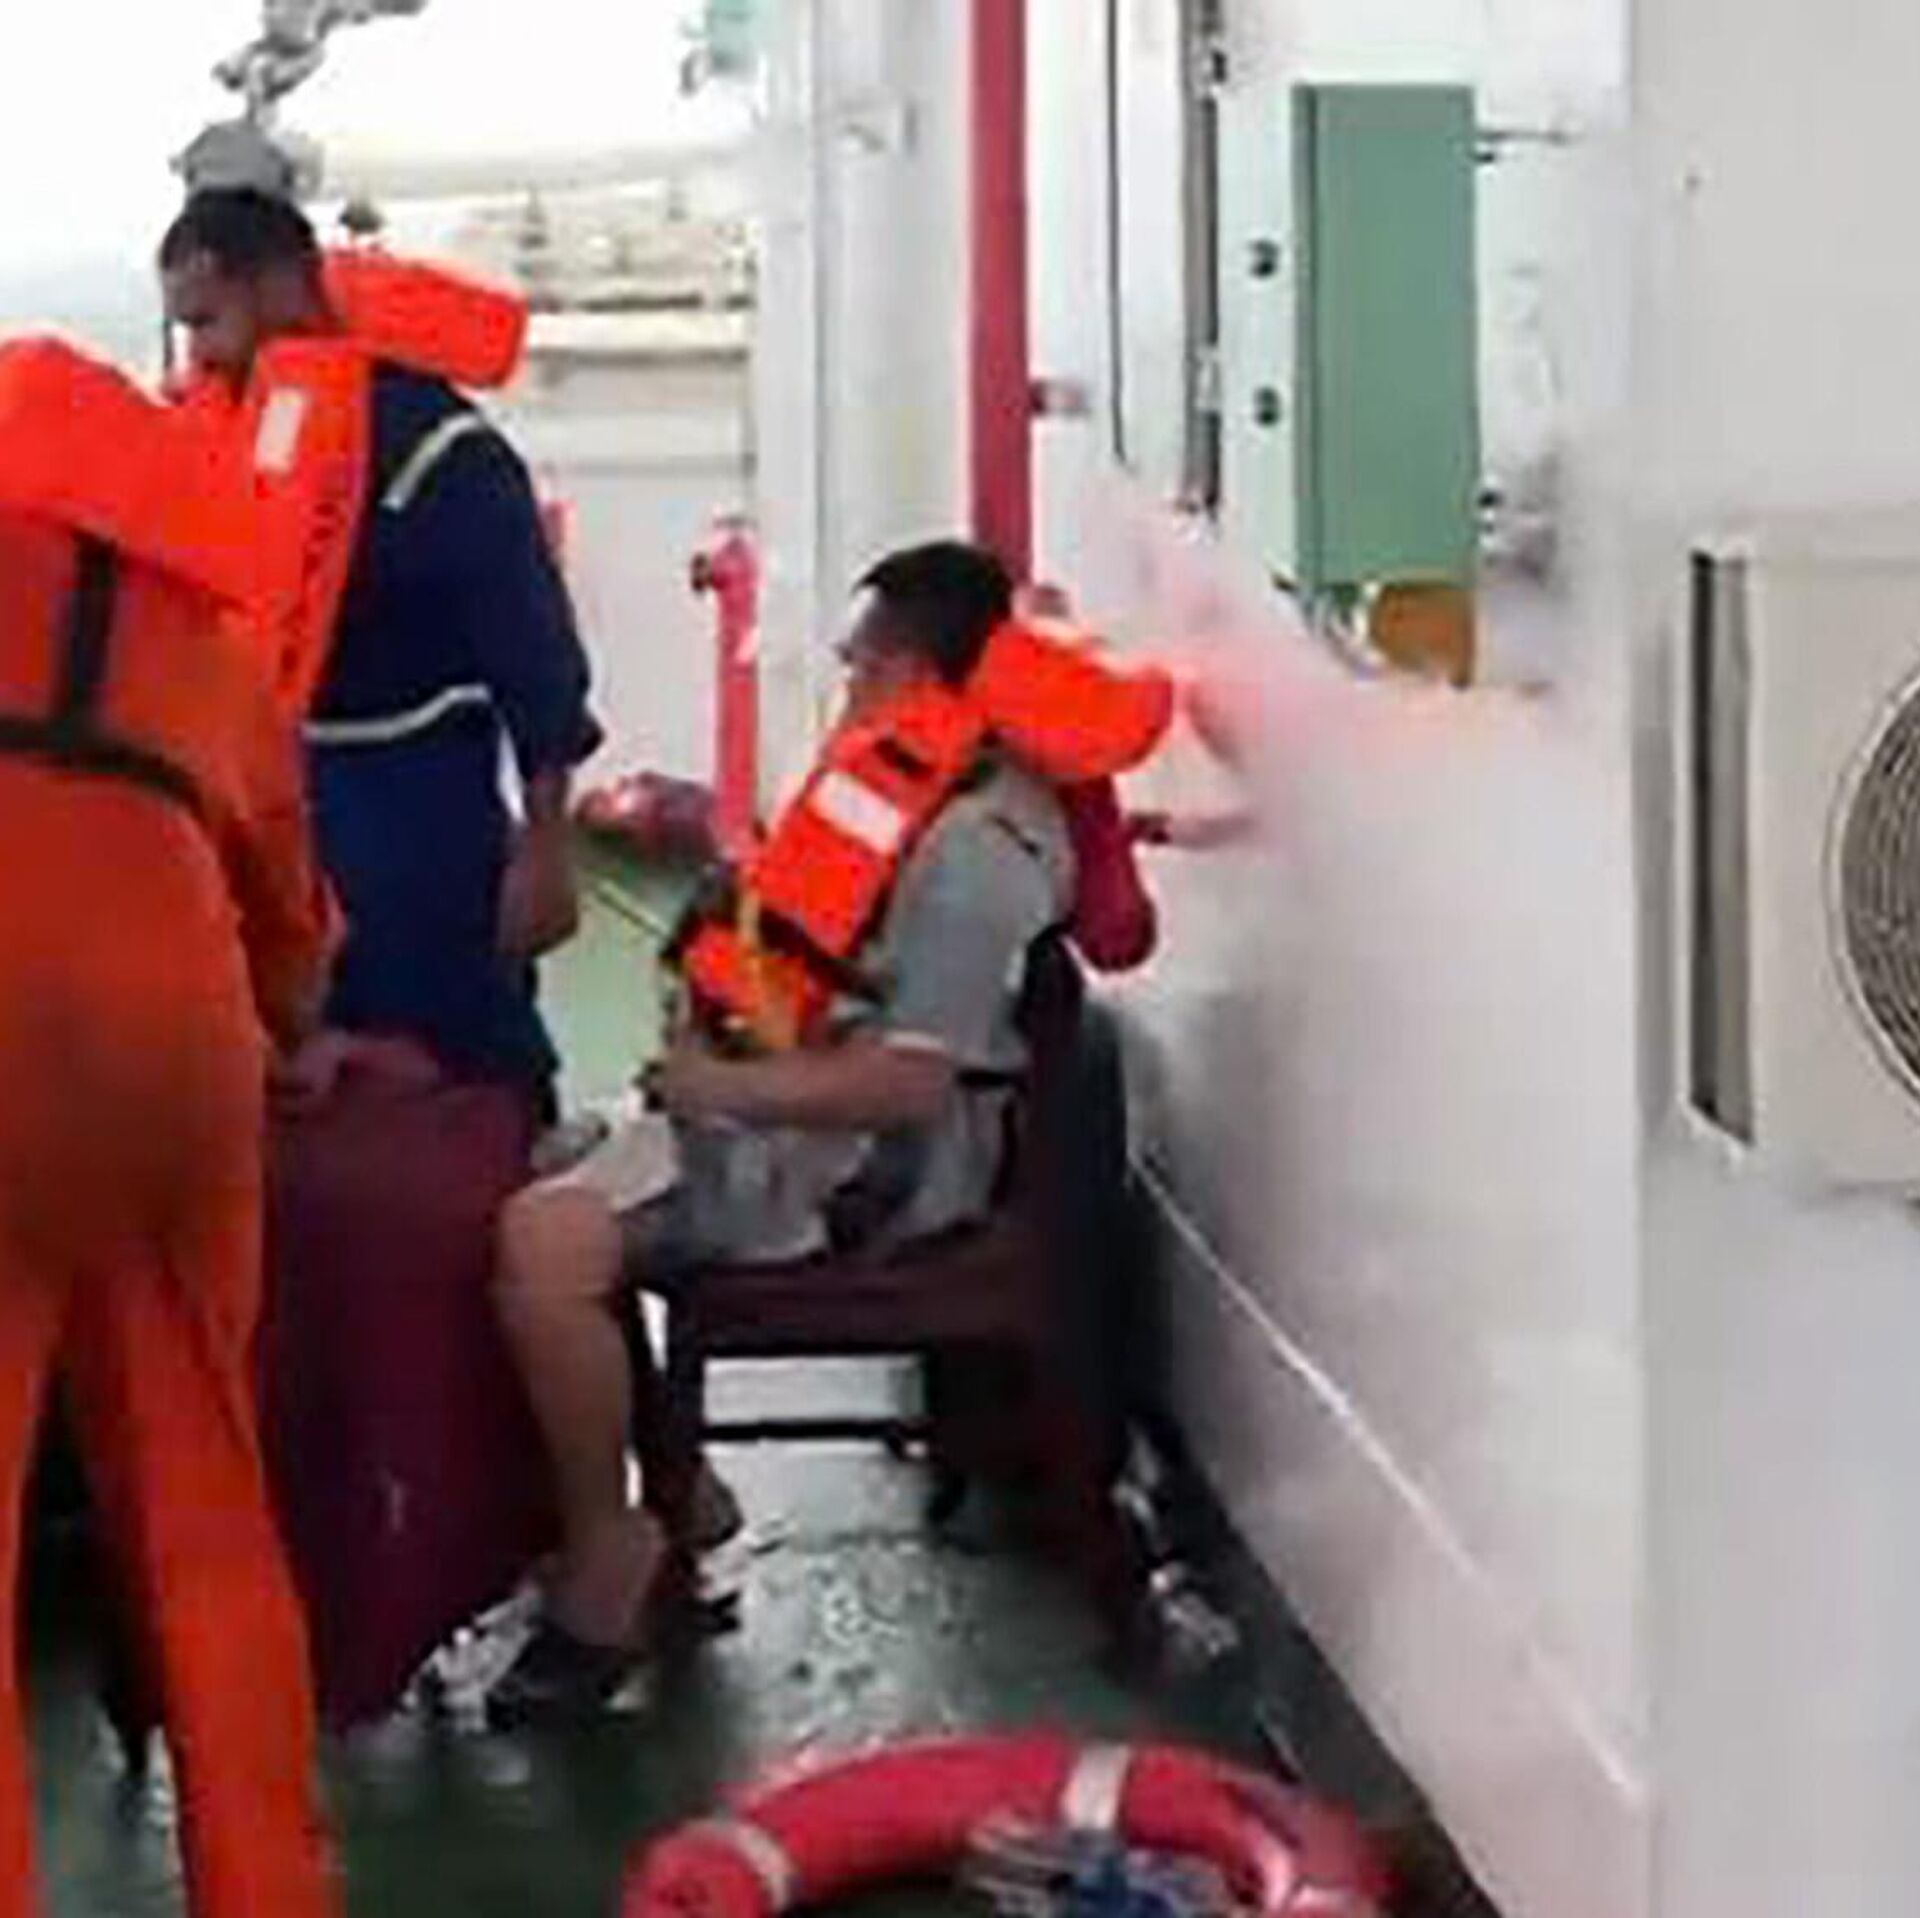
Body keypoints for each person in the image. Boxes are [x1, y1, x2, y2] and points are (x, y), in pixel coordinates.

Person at [491, 541, 1078, 1722]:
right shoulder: (912, 802)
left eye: (857, 667)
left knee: (540, 1245)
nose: (844, 689)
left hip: (866, 1174)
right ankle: (683, 1489)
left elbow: (910, 1086)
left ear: (910, 674)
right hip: (776, 1124)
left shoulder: (973, 852)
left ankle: (610, 1554)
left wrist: (718, 1086)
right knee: (509, 1165)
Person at [156, 185, 602, 1724]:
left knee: (487, 1114)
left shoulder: (438, 451)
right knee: (293, 1129)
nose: (199, 353)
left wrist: (546, 845)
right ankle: (334, 1503)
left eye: (212, 318)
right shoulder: (220, 436)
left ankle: (601, 1499)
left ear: (282, 282)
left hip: (418, 814)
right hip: (263, 811)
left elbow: (536, 663)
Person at [0, 340, 339, 1916]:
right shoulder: (211, 643)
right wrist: (286, 1019)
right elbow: (293, 932)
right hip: (175, 1056)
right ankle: (266, 1886)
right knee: (206, 1505)